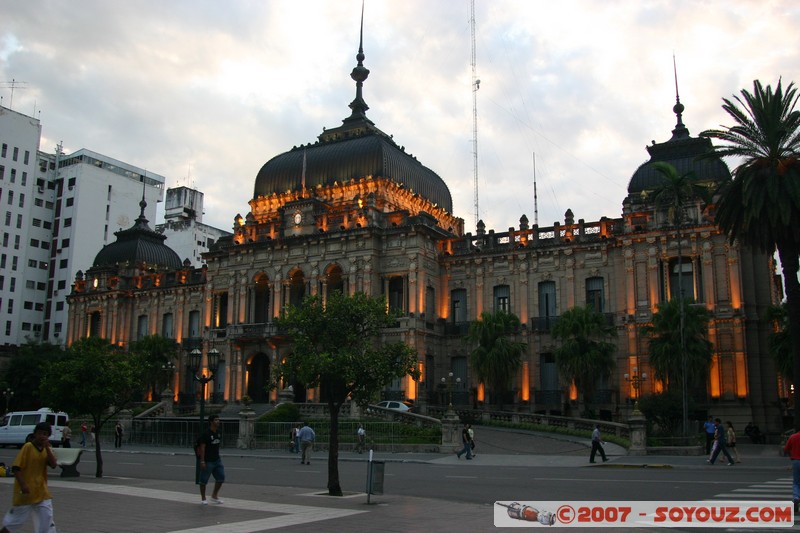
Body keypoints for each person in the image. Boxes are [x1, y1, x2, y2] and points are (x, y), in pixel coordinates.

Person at [0, 421, 58, 533]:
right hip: (26, 492)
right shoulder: (28, 447)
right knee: (15, 521)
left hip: (41, 491)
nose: (42, 436)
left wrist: (47, 449)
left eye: (45, 434)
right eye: (40, 433)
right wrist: (23, 485)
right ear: (35, 434)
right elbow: (16, 468)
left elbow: (53, 465)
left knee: (47, 518)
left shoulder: (47, 449)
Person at [197, 414, 225, 505]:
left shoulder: (219, 432)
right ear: (211, 422)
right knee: (203, 480)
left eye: (218, 420)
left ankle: (214, 495)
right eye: (216, 420)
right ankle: (203, 498)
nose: (218, 422)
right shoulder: (206, 434)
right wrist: (202, 461)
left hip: (217, 460)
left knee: (221, 477)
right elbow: (202, 448)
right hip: (208, 460)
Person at [783, 427, 800, 512]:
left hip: (796, 461)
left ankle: (796, 497)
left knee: (796, 482)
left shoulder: (793, 437)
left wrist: (791, 454)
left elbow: (786, 449)